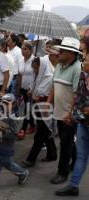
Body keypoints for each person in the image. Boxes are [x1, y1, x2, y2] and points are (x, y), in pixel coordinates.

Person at [47, 37, 82, 184]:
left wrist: (70, 113)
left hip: (68, 114)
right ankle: (74, 162)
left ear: (71, 53)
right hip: (58, 112)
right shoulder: (60, 66)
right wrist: (48, 103)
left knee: (65, 143)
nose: (58, 53)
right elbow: (54, 86)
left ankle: (63, 172)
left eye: (61, 51)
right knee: (66, 141)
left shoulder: (77, 69)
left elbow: (77, 95)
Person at [55, 52, 89, 197]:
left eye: (87, 58)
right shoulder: (84, 76)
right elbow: (78, 99)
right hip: (83, 122)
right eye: (85, 58)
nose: (84, 61)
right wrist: (72, 115)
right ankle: (73, 186)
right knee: (81, 156)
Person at [0, 93, 29, 188]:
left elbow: (14, 133)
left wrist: (3, 130)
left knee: (8, 164)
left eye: (7, 103)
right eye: (3, 103)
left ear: (14, 104)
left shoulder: (14, 117)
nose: (5, 105)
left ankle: (22, 173)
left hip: (6, 147)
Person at [21, 57, 57, 168]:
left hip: (45, 108)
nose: (35, 71)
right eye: (34, 69)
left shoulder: (49, 77)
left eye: (37, 69)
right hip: (38, 108)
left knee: (40, 135)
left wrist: (36, 95)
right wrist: (31, 92)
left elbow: (44, 94)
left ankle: (31, 159)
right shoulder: (37, 77)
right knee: (45, 132)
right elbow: (34, 91)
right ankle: (52, 154)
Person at [16, 41, 36, 139]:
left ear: (31, 50)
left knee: (27, 109)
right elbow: (20, 75)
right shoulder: (20, 60)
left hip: (31, 89)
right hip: (23, 88)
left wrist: (32, 89)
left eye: (25, 49)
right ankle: (32, 125)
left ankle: (23, 129)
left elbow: (37, 76)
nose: (23, 51)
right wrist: (18, 90)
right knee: (29, 108)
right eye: (22, 49)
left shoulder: (35, 60)